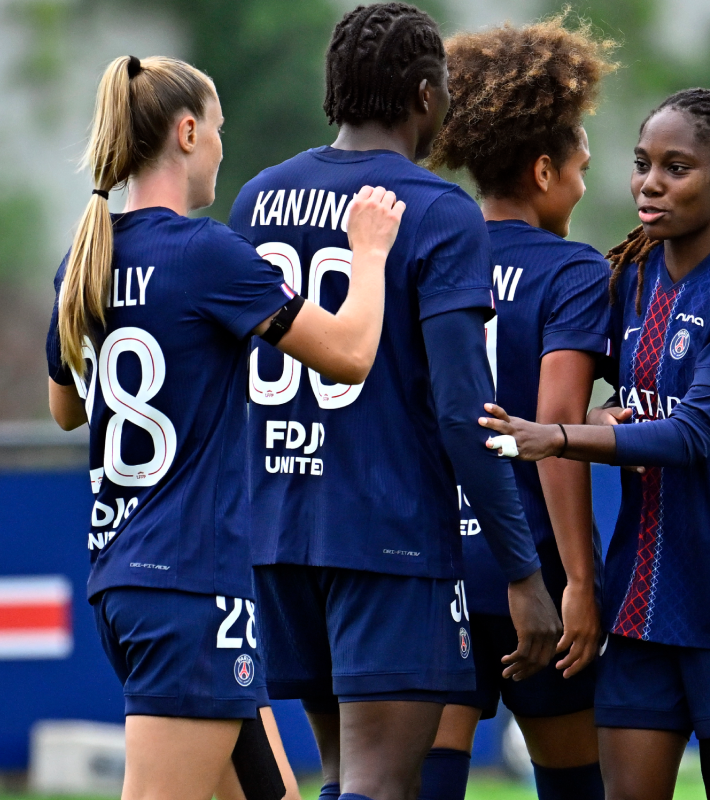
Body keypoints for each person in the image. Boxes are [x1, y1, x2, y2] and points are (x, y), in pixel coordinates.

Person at [43, 54, 406, 800]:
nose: (219, 147)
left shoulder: (87, 257)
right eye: (215, 130)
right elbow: (348, 356)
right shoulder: (205, 253)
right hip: (187, 588)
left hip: (132, 579)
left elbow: (66, 407)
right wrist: (366, 254)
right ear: (185, 132)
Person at [228, 5, 562, 800]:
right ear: (422, 94)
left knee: (343, 777)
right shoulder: (440, 211)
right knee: (381, 786)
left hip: (277, 531)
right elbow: (460, 409)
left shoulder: (257, 198)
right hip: (387, 537)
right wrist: (522, 571)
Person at [480, 87, 710, 800]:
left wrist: (559, 437)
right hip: (639, 606)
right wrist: (590, 421)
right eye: (641, 164)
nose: (650, 183)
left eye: (676, 167)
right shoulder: (628, 277)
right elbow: (554, 360)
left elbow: (692, 434)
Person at [414, 16, 616, 800]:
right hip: (533, 562)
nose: (585, 184)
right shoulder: (572, 272)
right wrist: (578, 582)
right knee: (572, 788)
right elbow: (553, 429)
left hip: (435, 570)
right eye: (581, 168)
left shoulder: (426, 255)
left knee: (426, 786)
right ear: (543, 170)